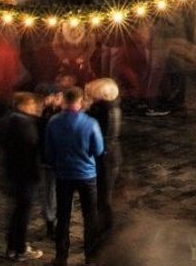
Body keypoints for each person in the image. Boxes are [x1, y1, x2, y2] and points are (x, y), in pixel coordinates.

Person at [42, 86, 105, 266]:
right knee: (90, 216)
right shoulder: (90, 123)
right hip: (87, 175)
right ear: (80, 101)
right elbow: (98, 149)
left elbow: (48, 151)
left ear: (64, 101)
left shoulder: (53, 122)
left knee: (63, 216)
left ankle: (61, 257)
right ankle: (91, 257)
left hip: (63, 175)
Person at [0, 91, 47, 262]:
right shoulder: (24, 124)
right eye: (32, 104)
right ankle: (20, 248)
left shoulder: (7, 120)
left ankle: (12, 247)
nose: (35, 107)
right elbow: (32, 148)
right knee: (23, 211)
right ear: (22, 105)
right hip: (25, 173)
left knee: (16, 210)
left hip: (13, 171)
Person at [84, 77, 124, 237]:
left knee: (103, 197)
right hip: (109, 157)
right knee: (103, 196)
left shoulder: (104, 111)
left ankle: (105, 230)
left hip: (106, 159)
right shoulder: (107, 108)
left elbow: (104, 138)